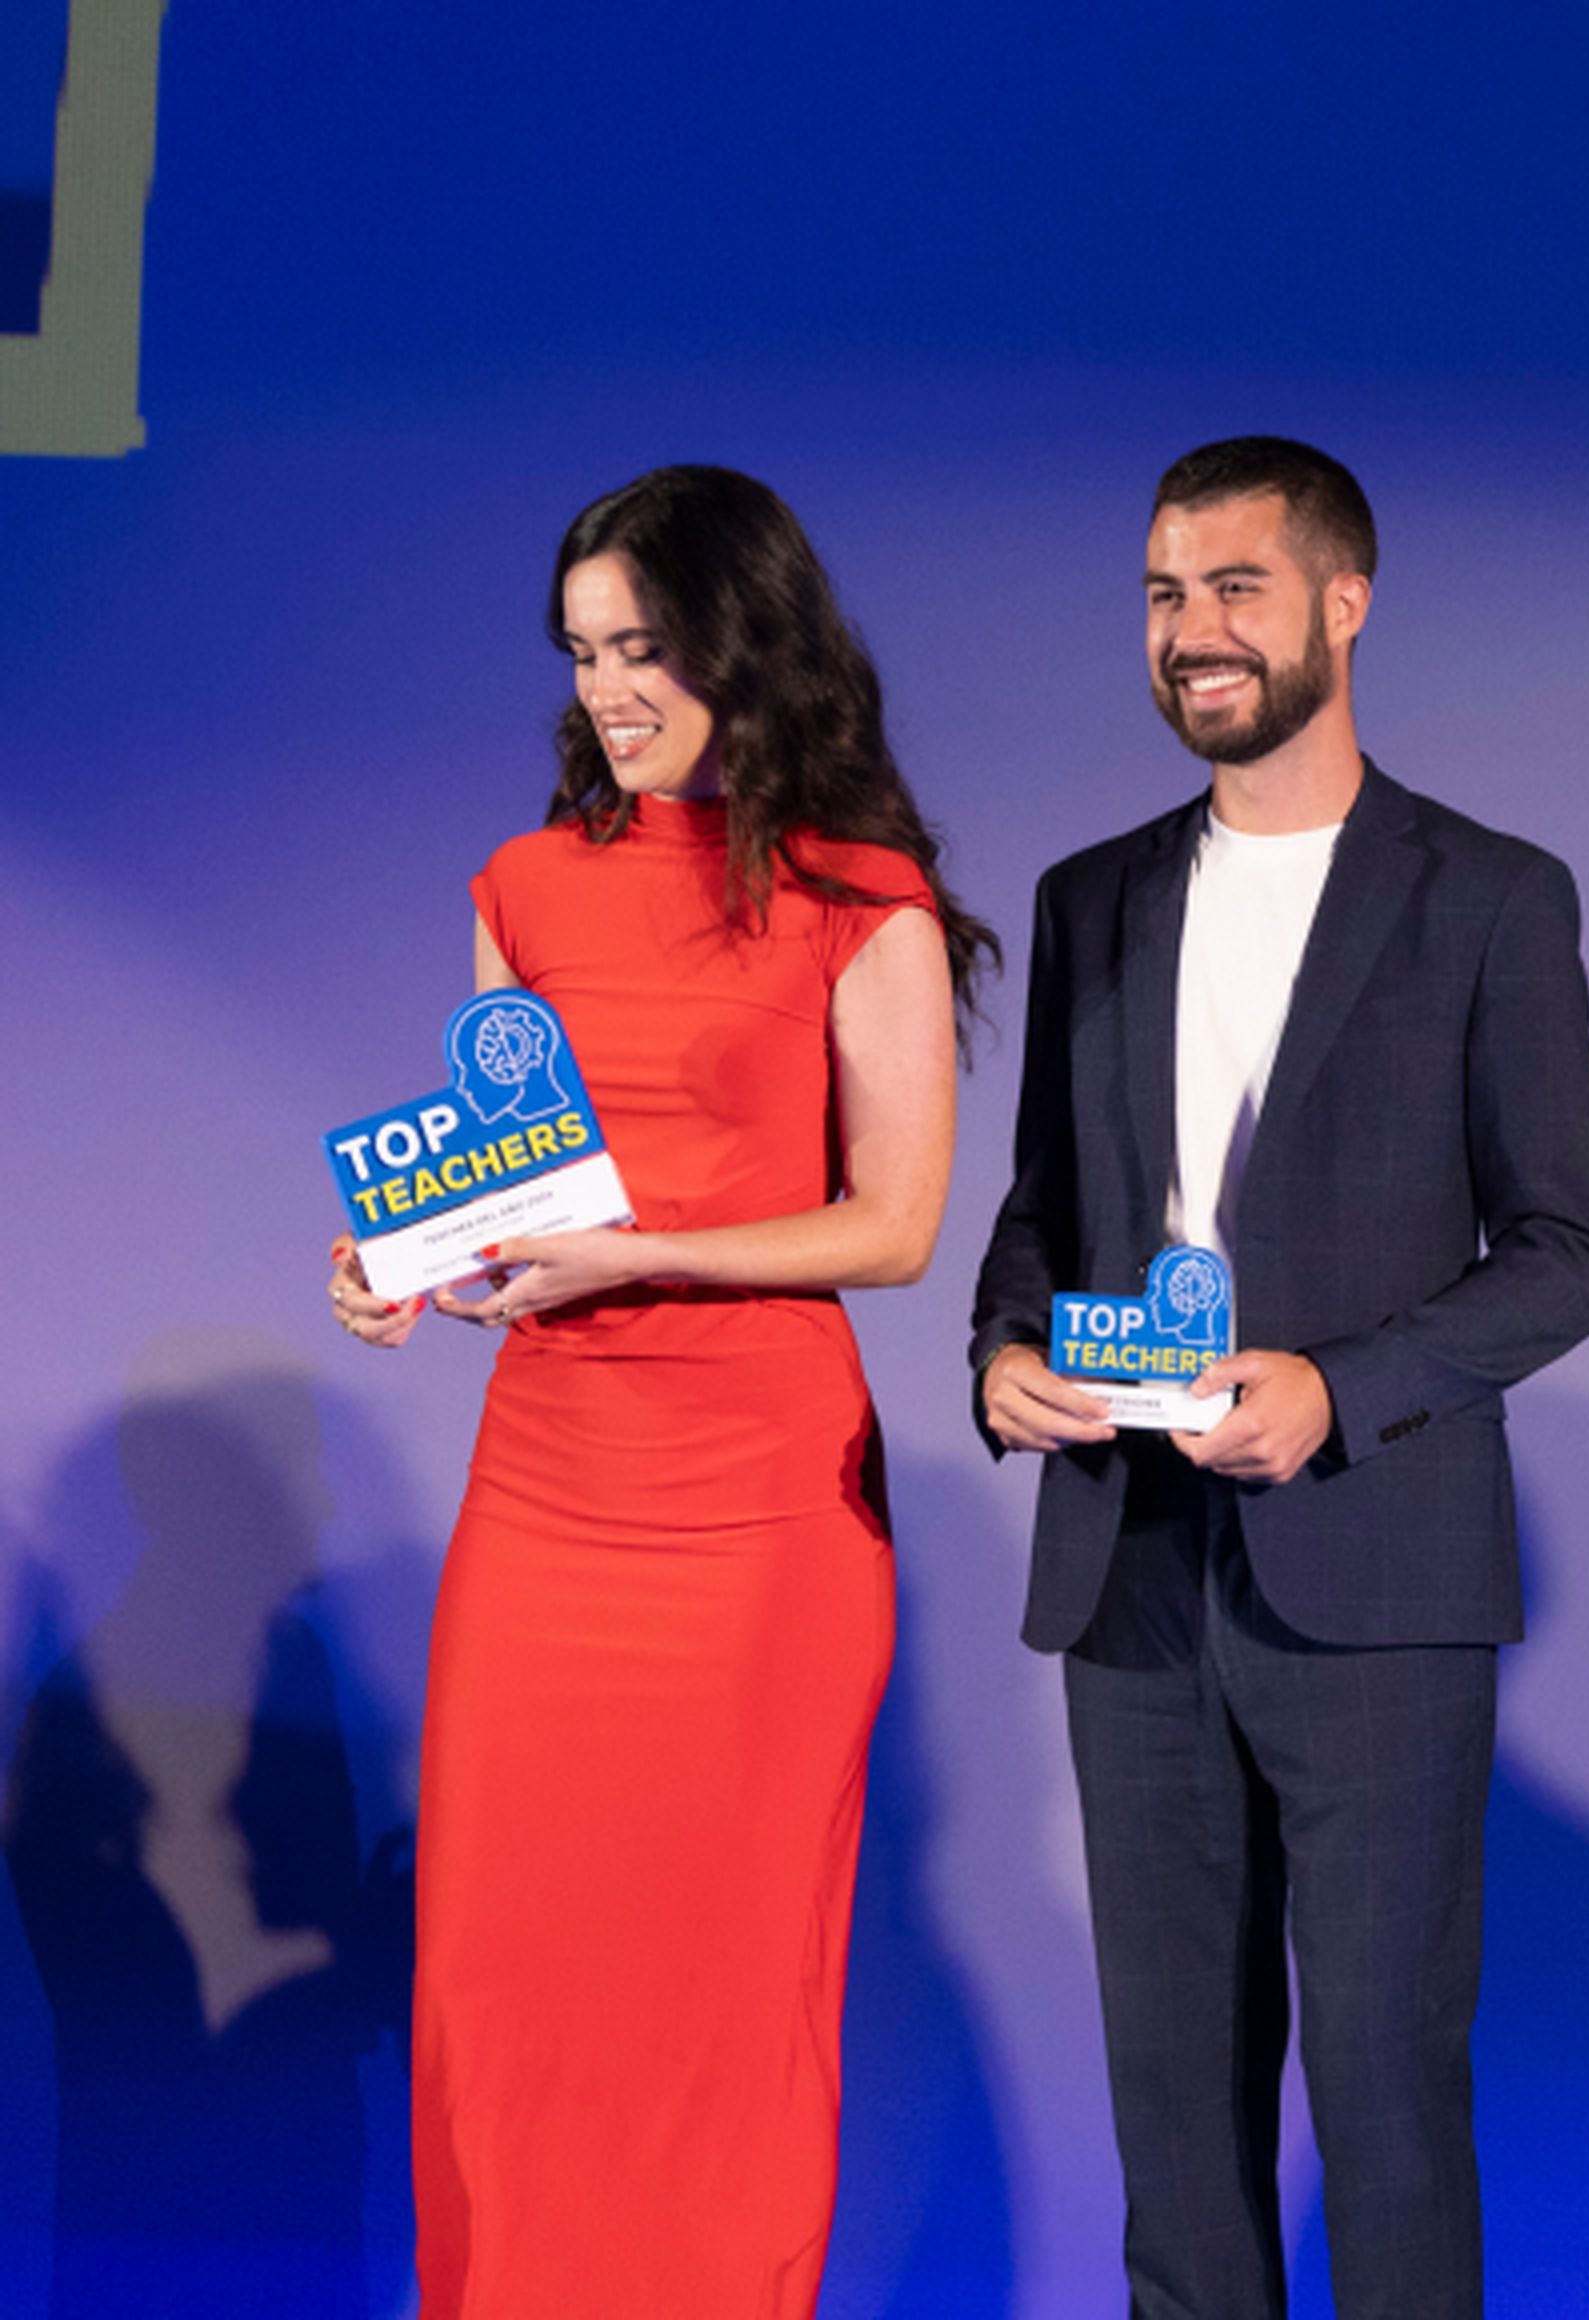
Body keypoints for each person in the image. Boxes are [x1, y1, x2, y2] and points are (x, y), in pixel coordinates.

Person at [324, 464, 991, 2317]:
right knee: (508, 1988)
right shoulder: (525, 888)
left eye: (644, 646)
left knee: (714, 2003)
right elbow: (506, 1190)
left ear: (743, 644)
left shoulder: (868, 901)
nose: (610, 688)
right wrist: (412, 1262)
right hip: (546, 1502)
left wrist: (645, 1256)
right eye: (584, 652)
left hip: (756, 1517)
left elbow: (898, 1226)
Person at [968, 436, 1589, 2319]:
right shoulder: (1093, 894)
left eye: (1237, 590)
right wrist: (1007, 1350)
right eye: (1166, 596)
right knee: (1174, 2118)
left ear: (1347, 601)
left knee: (1388, 2106)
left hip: (1377, 1573)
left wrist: (1339, 1386)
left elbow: (1565, 1253)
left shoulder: (1491, 893)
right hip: (1128, 1564)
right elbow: (1044, 1212)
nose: (1194, 634)